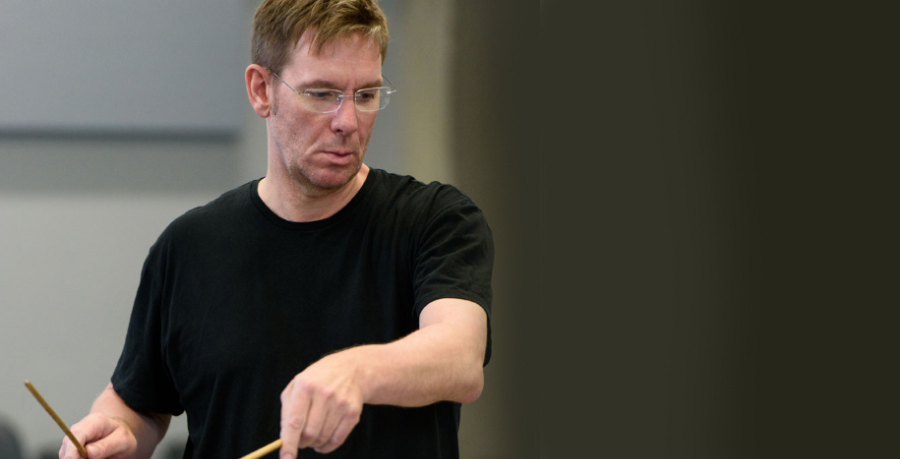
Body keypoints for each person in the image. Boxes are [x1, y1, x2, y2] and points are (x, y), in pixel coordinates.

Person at [58, 1, 493, 458]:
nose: (347, 122)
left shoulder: (435, 220)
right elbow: (138, 404)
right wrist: (115, 431)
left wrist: (357, 371)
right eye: (322, 94)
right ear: (261, 90)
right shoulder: (189, 247)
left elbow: (459, 358)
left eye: (365, 95)